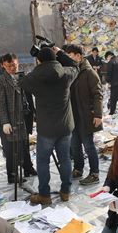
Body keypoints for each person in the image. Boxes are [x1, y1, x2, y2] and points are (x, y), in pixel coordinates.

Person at [19, 47, 78, 205]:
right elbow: (75, 65)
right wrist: (60, 52)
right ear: (56, 59)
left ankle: (44, 194)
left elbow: (22, 82)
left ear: (39, 60)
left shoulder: (34, 78)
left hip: (46, 129)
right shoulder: (66, 74)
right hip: (65, 127)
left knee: (43, 161)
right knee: (65, 160)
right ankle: (66, 191)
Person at [0, 53, 37, 184]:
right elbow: (1, 103)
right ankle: (12, 175)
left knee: (24, 143)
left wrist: (33, 113)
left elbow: (29, 96)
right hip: (11, 117)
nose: (12, 68)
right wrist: (5, 121)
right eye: (9, 66)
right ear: (3, 65)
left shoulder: (22, 77)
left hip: (24, 115)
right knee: (12, 147)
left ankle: (28, 168)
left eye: (14, 65)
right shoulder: (0, 80)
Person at [64, 44, 103, 186]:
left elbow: (98, 94)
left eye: (70, 56)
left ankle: (94, 173)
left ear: (78, 56)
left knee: (88, 145)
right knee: (74, 144)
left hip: (86, 115)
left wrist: (98, 115)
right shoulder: (71, 71)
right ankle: (78, 169)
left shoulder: (89, 72)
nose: (68, 59)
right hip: (73, 116)